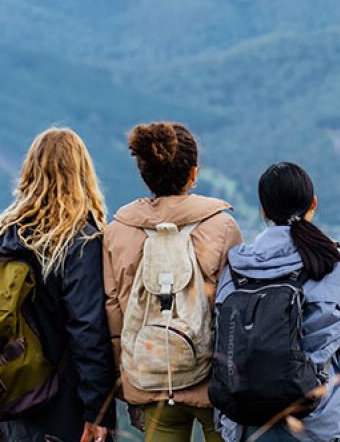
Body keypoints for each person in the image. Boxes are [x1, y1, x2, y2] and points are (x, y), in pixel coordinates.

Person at [216, 162, 340, 442]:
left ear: (264, 211)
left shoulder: (236, 266)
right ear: (313, 203)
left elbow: (219, 338)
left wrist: (226, 420)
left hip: (250, 421)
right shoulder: (337, 264)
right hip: (320, 417)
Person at [103, 122, 243, 442]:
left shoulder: (118, 231)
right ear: (193, 173)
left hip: (148, 376)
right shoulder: (222, 226)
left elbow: (112, 309)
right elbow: (234, 308)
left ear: (144, 173)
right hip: (211, 382)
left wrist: (124, 377)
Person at [0, 128, 118, 442]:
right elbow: (87, 329)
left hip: (12, 395)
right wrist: (97, 412)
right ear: (82, 174)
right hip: (61, 405)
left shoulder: (5, 236)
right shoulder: (79, 240)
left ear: (30, 173)